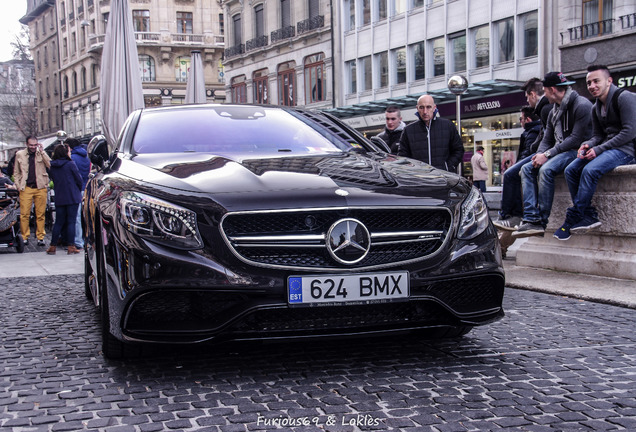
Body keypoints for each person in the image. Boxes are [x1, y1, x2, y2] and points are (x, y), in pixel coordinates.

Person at [553, 65, 636, 241]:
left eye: (596, 81)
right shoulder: (595, 106)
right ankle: (588, 215)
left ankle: (572, 218)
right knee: (571, 170)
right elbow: (598, 135)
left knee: (590, 171)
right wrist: (587, 144)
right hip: (607, 148)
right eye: (589, 82)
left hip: (626, 150)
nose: (592, 86)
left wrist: (598, 149)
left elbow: (629, 132)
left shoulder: (625, 98)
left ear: (609, 81)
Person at [512, 72, 593, 238]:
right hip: (559, 150)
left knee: (546, 170)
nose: (543, 94)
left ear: (552, 90)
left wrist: (547, 155)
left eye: (545, 90)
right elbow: (547, 138)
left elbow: (575, 139)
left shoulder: (581, 105)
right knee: (526, 169)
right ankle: (531, 219)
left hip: (576, 150)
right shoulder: (553, 111)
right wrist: (540, 153)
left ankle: (542, 220)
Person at [493, 79, 552, 231]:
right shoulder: (544, 109)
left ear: (532, 94)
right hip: (544, 151)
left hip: (548, 152)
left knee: (512, 173)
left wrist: (541, 152)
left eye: (527, 97)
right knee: (516, 172)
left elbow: (548, 136)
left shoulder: (545, 108)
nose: (527, 100)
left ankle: (514, 216)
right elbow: (545, 134)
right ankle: (517, 216)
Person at [398, 94, 464, 172]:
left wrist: (448, 167)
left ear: (434, 108)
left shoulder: (448, 126)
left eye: (428, 107)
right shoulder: (408, 130)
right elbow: (403, 156)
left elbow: (458, 150)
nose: (425, 111)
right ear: (417, 108)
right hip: (419, 178)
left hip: (443, 177)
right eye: (421, 107)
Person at [13, 136, 51, 246]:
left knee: (41, 214)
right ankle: (25, 236)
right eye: (31, 145)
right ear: (27, 144)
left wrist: (43, 152)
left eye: (35, 145)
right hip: (26, 187)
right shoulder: (20, 154)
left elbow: (49, 164)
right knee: (24, 214)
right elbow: (16, 171)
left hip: (40, 187)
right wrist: (18, 185)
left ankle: (40, 237)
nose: (33, 147)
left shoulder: (41, 154)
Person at [46, 144, 82, 255]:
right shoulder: (70, 164)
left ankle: (52, 246)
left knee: (58, 222)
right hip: (72, 196)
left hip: (59, 197)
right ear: (65, 153)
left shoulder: (52, 166)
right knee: (71, 222)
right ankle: (71, 246)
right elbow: (79, 179)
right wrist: (78, 190)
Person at [67, 138, 91, 250]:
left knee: (76, 217)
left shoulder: (72, 158)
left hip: (76, 188)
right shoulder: (86, 156)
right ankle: (88, 238)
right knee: (85, 215)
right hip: (86, 187)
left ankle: (78, 241)